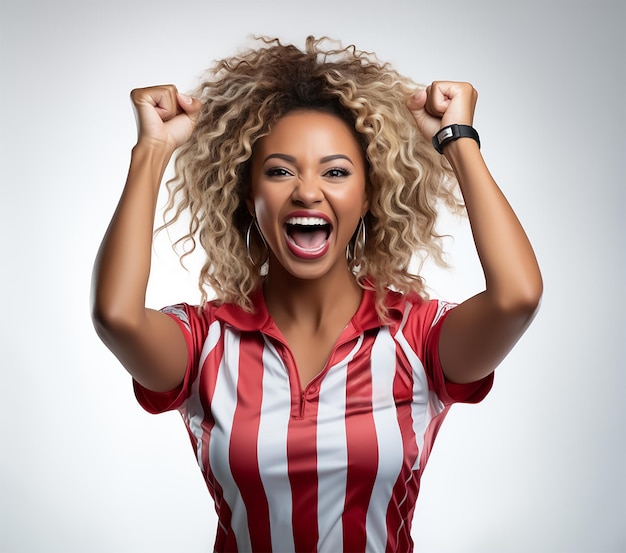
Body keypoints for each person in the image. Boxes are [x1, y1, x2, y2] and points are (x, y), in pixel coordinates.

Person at [91, 36, 542, 553]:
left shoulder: (416, 338)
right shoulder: (204, 341)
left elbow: (517, 298)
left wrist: (457, 139)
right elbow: (117, 316)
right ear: (248, 194)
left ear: (369, 193)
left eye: (335, 172)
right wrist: (152, 150)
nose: (308, 191)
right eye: (280, 171)